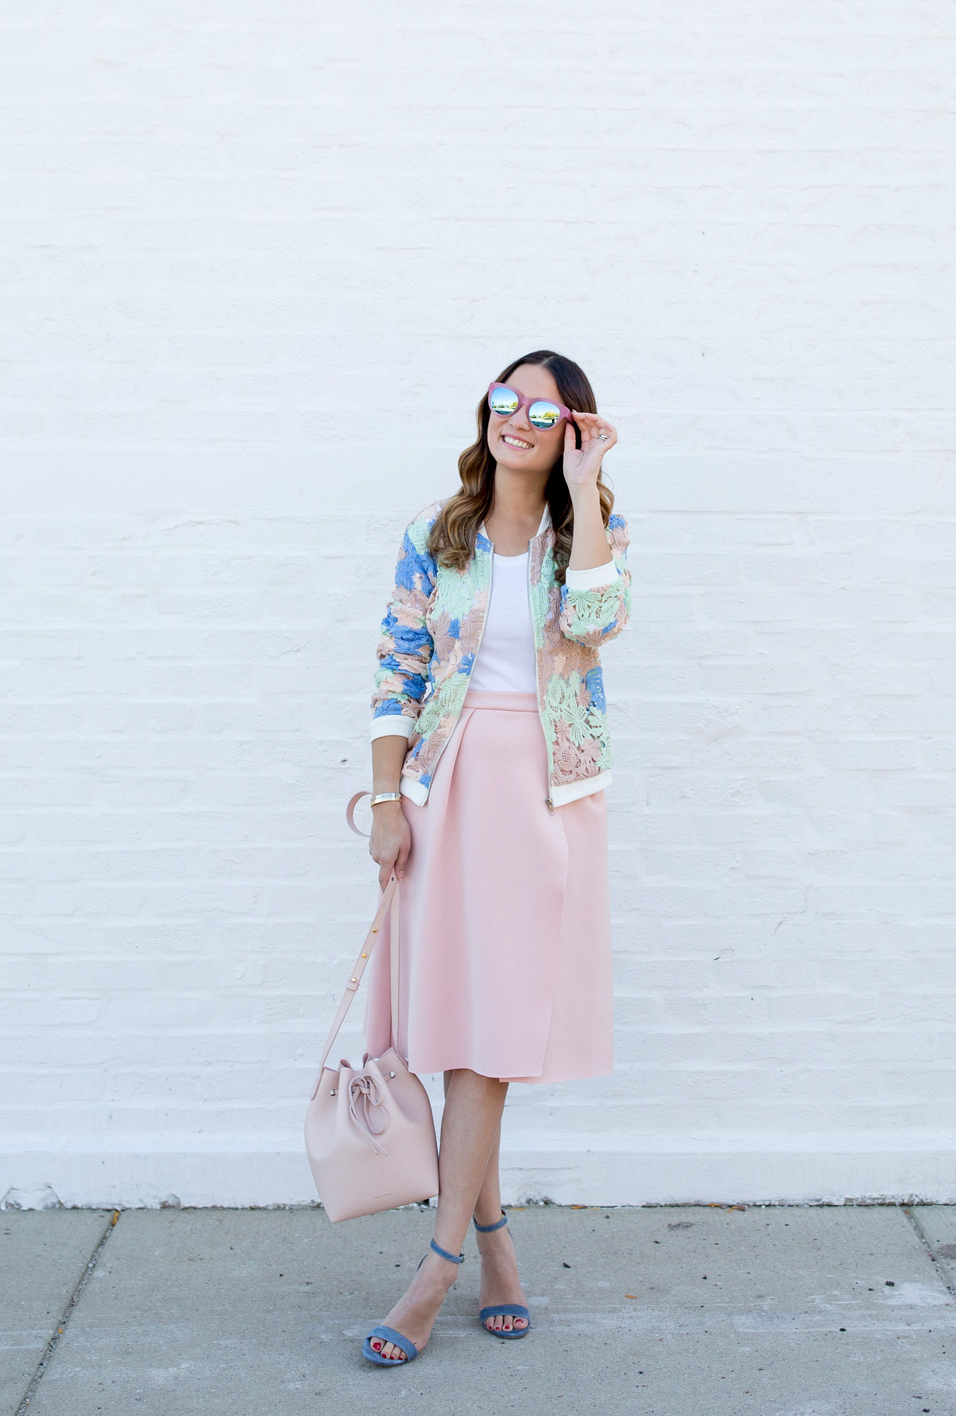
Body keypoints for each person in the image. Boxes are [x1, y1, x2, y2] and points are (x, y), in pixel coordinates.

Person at [359, 349, 632, 1365]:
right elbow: (396, 666)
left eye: (541, 410)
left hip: (547, 795)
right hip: (449, 788)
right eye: (502, 400)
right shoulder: (439, 533)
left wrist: (582, 492)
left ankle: (434, 1271)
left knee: (495, 1035)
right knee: (468, 1030)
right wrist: (388, 801)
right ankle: (495, 1247)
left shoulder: (585, 533)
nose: (513, 417)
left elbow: (599, 624)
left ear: (572, 428)